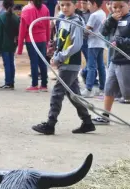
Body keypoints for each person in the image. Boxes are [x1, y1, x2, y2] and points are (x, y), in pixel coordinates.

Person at [32, 0, 96, 135]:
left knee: (57, 93)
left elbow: (76, 45)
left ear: (75, 5)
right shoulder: (63, 20)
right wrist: (54, 50)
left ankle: (50, 124)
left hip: (70, 63)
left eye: (68, 4)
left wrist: (60, 56)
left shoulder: (76, 22)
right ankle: (87, 122)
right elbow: (61, 40)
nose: (65, 8)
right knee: (74, 95)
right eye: (62, 5)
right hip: (64, 63)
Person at [91, 0, 130, 127]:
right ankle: (105, 116)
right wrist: (110, 19)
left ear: (128, 5)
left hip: (127, 60)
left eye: (121, 6)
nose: (117, 10)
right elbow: (103, 32)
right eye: (114, 7)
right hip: (114, 59)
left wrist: (121, 42)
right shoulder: (113, 18)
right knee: (109, 88)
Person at [17, 0, 50, 92]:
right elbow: (48, 26)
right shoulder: (45, 8)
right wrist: (47, 41)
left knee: (34, 62)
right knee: (42, 61)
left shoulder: (26, 9)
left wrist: (19, 48)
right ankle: (44, 85)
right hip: (42, 38)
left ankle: (34, 84)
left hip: (31, 39)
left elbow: (22, 30)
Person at [80, 0, 107, 98]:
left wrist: (83, 28)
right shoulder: (103, 13)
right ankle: (102, 88)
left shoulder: (94, 15)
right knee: (101, 66)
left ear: (94, 4)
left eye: (89, 4)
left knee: (91, 66)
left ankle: (88, 89)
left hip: (93, 44)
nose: (88, 6)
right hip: (101, 43)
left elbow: (87, 30)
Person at [0, 0, 20, 89]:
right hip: (13, 43)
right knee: (11, 62)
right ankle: (11, 82)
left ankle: (8, 82)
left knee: (7, 63)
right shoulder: (16, 17)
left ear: (3, 5)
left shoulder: (1, 17)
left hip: (4, 43)